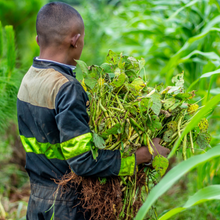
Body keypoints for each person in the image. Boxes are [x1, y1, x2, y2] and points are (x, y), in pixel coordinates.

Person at [17, 2, 170, 220]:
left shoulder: (29, 78)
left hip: (38, 201)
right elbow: (82, 162)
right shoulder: (66, 87)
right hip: (68, 207)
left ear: (37, 40)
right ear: (75, 40)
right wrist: (141, 156)